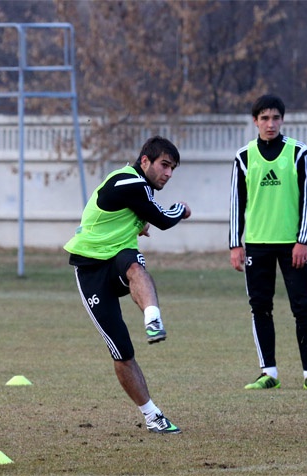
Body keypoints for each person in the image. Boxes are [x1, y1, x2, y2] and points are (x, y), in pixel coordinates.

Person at [64, 136, 191, 434]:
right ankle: (152, 415)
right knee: (121, 351)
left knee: (134, 265)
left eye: (172, 168)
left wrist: (140, 224)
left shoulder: (137, 188)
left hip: (118, 258)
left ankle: (153, 320)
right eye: (164, 165)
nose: (168, 173)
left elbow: (139, 215)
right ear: (144, 161)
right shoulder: (128, 182)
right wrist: (181, 209)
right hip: (89, 269)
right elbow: (160, 218)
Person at [229, 94, 307, 391]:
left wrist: (303, 241)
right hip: (257, 245)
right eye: (264, 118)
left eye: (275, 118)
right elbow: (236, 202)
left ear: (282, 119)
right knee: (260, 307)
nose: (270, 124)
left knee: (302, 307)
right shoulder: (244, 157)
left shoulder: (298, 153)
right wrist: (236, 243)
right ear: (255, 121)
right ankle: (268, 372)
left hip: (291, 246)